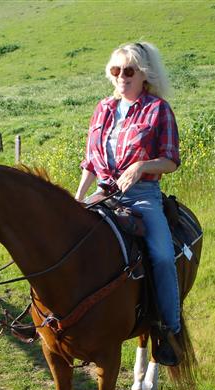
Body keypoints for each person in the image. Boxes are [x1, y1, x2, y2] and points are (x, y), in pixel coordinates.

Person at [75, 41, 183, 366]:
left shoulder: (158, 109)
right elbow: (90, 162)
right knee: (66, 241)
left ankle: (169, 331)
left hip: (142, 196)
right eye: (116, 70)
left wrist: (141, 167)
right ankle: (57, 318)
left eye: (129, 71)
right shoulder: (103, 109)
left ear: (144, 74)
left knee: (162, 256)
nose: (121, 76)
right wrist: (78, 198)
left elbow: (171, 161)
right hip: (104, 192)